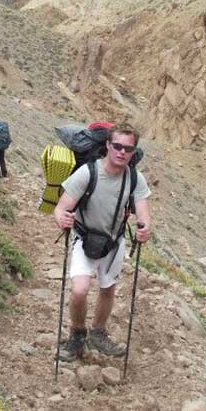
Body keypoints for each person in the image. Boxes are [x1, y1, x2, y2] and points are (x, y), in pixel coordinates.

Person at [53, 124, 152, 361]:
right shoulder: (88, 172)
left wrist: (145, 227)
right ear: (107, 145)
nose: (121, 152)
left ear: (133, 151)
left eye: (128, 148)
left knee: (108, 289)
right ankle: (77, 334)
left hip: (113, 241)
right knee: (79, 291)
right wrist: (62, 218)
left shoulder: (135, 178)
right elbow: (61, 207)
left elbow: (143, 211)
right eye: (117, 146)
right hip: (84, 237)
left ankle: (98, 333)